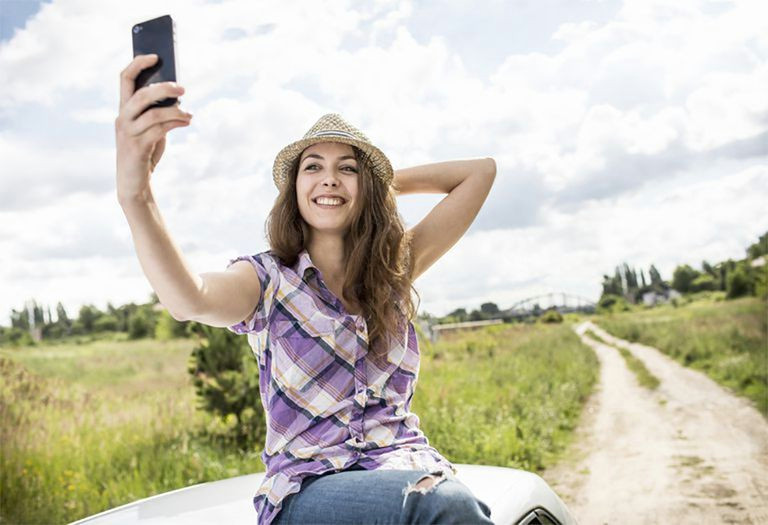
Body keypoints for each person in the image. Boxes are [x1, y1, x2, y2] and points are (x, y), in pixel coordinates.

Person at [116, 54, 497, 525]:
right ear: (294, 188)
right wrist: (137, 195)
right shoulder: (267, 281)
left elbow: (481, 172)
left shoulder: (393, 271)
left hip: (408, 472)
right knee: (447, 505)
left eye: (346, 168)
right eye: (312, 168)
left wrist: (375, 183)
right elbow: (188, 298)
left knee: (446, 502)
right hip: (309, 492)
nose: (329, 178)